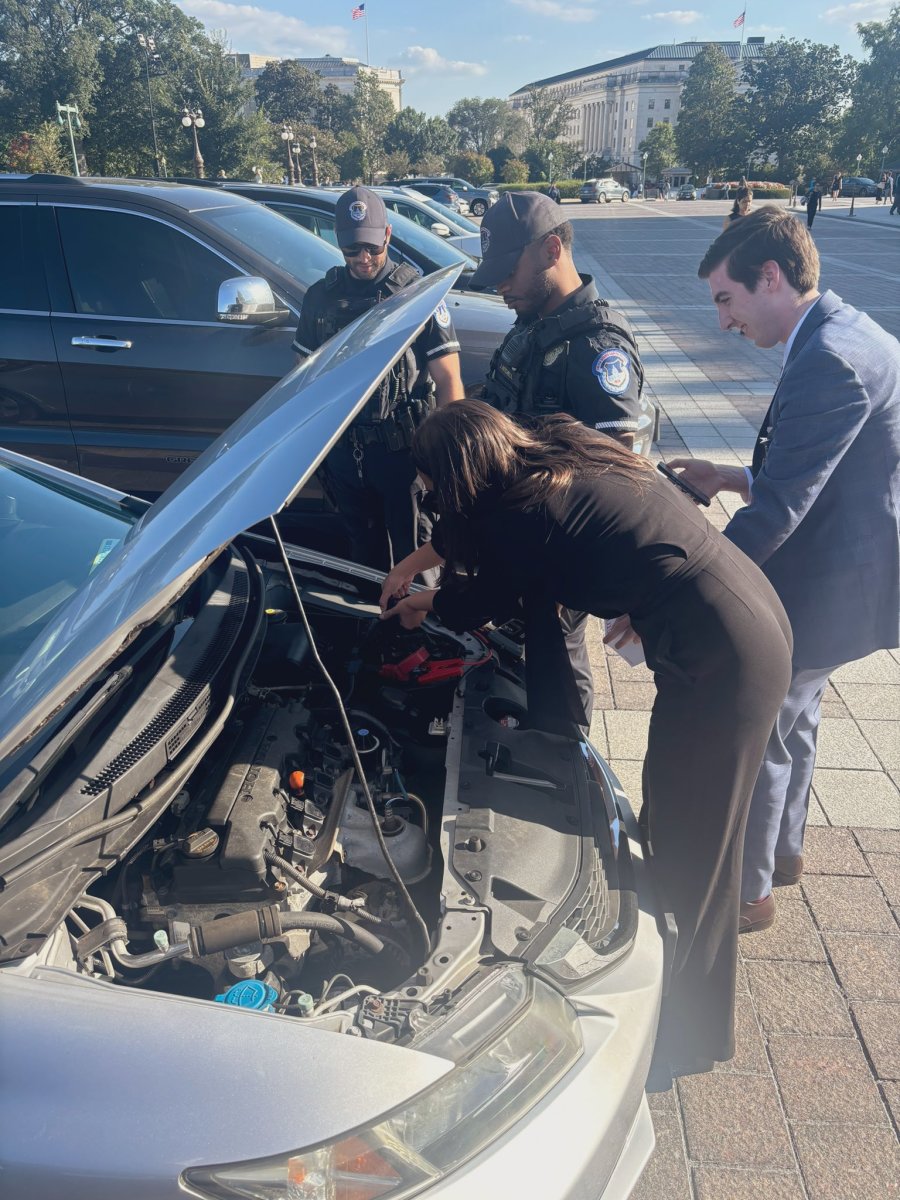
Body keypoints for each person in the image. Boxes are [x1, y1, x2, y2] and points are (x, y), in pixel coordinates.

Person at [380, 400, 793, 1075]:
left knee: (701, 849)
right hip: (730, 613)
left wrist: (425, 596)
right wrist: (422, 561)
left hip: (724, 652)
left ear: (456, 477)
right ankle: (674, 995)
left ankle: (691, 1036)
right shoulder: (553, 449)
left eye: (434, 489)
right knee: (670, 807)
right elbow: (496, 542)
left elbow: (490, 586)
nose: (432, 503)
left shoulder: (527, 515)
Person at [669, 206, 900, 933]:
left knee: (764, 720)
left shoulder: (829, 357)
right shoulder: (842, 332)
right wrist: (730, 473)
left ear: (771, 276)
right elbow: (815, 467)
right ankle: (787, 851)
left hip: (827, 578)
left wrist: (680, 592)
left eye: (725, 299)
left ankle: (750, 890)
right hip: (846, 569)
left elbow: (779, 514)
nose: (723, 322)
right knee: (799, 717)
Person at [466, 189, 648, 727]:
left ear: (551, 250)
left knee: (559, 663)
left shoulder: (597, 347)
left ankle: (571, 763)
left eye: (507, 271)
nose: (499, 286)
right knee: (525, 660)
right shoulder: (535, 325)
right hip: (523, 534)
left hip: (561, 547)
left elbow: (617, 474)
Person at [292, 186, 464, 572]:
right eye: (353, 249)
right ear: (338, 242)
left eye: (372, 246)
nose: (364, 258)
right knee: (362, 559)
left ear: (387, 234)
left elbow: (449, 381)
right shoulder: (320, 297)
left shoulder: (417, 295)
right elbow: (302, 378)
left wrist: (446, 460)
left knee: (416, 557)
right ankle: (371, 626)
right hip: (344, 453)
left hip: (402, 453)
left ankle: (419, 629)